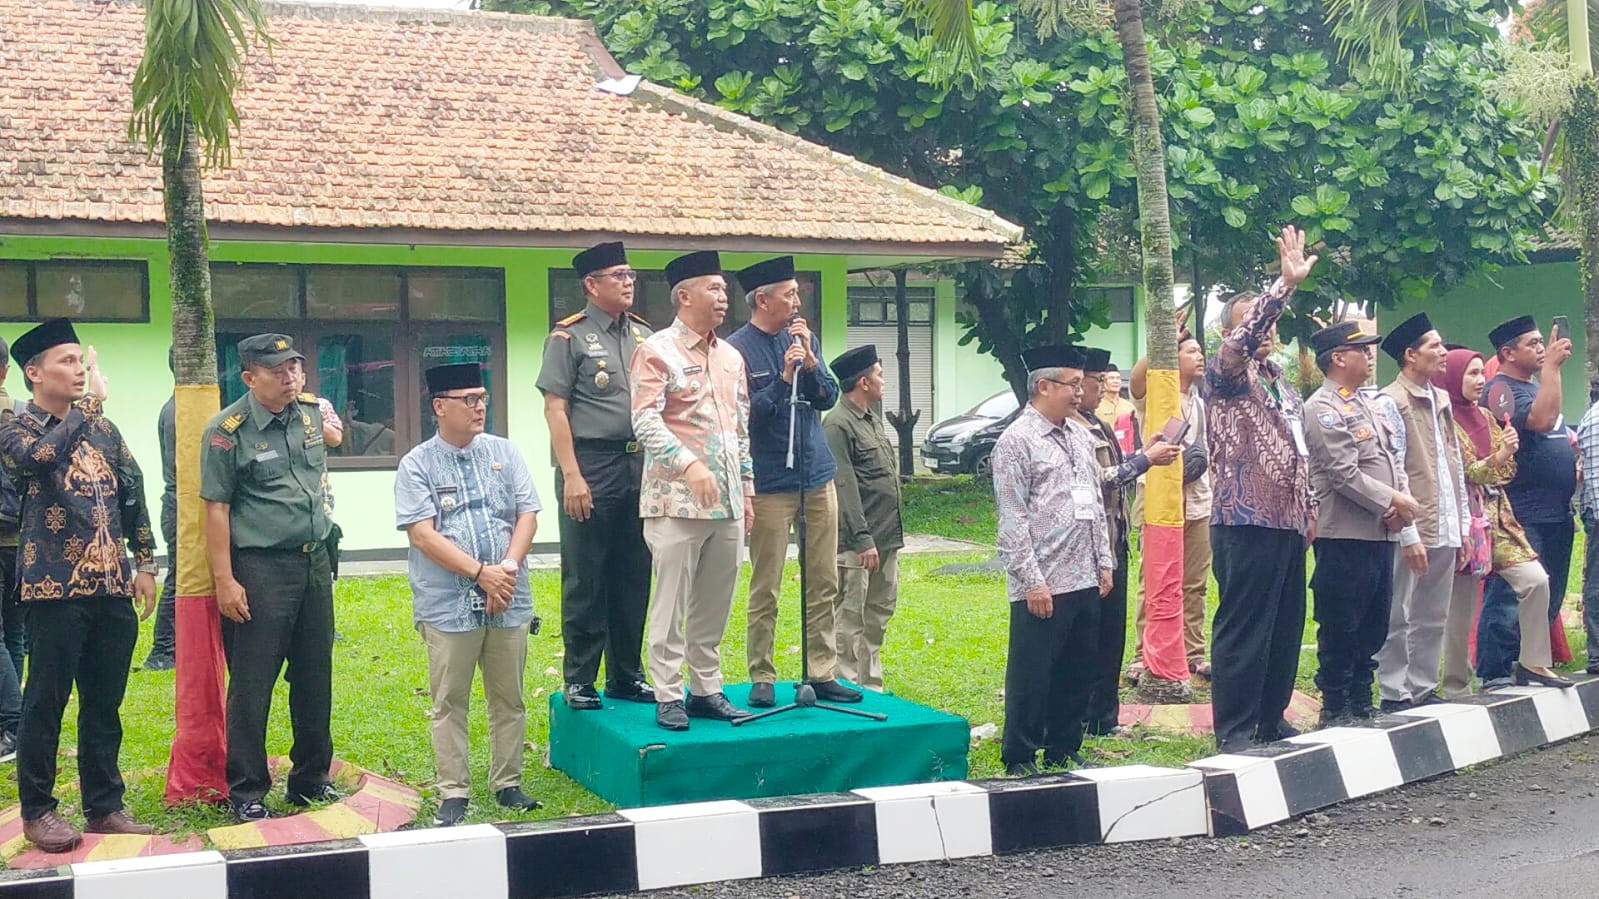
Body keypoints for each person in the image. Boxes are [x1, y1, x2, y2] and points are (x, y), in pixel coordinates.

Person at [0, 318, 158, 852]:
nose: (80, 371)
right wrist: (90, 405)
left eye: (82, 361)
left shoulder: (106, 431)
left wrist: (145, 563)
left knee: (104, 702)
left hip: (112, 589)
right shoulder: (14, 427)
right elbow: (40, 460)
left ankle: (104, 806)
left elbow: (131, 492)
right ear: (33, 372)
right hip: (54, 591)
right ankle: (39, 812)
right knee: (46, 702)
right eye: (68, 362)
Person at [396, 362, 543, 827]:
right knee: (450, 699)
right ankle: (453, 791)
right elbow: (422, 534)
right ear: (440, 406)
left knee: (509, 697)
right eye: (469, 399)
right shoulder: (417, 463)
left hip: (508, 593)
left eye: (483, 398)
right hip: (448, 603)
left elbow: (527, 514)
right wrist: (481, 573)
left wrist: (507, 569)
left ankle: (508, 782)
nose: (480, 407)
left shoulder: (505, 452)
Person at [200, 334, 338, 822]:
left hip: (313, 562)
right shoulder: (227, 430)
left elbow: (325, 458)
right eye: (277, 370)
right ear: (248, 376)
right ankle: (247, 791)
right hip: (259, 568)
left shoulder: (309, 414)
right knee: (253, 684)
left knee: (314, 674)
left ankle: (310, 779)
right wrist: (224, 579)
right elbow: (215, 508)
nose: (289, 377)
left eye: (294, 368)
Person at [1204, 225, 1318, 754]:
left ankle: (1271, 719)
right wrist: (1282, 289)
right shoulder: (1227, 376)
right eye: (1253, 323)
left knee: (1284, 624)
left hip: (1287, 521)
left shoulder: (1282, 382)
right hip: (1244, 518)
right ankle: (1235, 729)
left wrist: (1308, 508)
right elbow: (1242, 341)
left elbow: (1299, 450)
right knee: (1244, 627)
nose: (1264, 331)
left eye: (1269, 322)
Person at [727, 256, 860, 707]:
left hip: (816, 474)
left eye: (798, 293)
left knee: (823, 578)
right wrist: (784, 378)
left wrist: (812, 363)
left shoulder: (804, 338)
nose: (797, 301)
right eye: (789, 294)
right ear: (762, 300)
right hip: (768, 482)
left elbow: (827, 396)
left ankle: (821, 670)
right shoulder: (736, 350)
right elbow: (747, 417)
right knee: (767, 581)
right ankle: (762, 673)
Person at [631, 251, 755, 731]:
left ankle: (706, 688)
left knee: (715, 600)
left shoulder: (731, 357)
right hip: (675, 501)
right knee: (671, 601)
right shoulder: (657, 350)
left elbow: (741, 429)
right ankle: (667, 693)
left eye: (725, 289)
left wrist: (745, 490)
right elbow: (644, 419)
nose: (723, 297)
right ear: (684, 295)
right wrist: (688, 464)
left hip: (725, 502)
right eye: (713, 288)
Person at [538, 241, 655, 710]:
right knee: (587, 574)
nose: (628, 283)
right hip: (591, 462)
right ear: (591, 284)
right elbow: (555, 408)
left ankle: (626, 674)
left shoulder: (645, 335)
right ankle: (580, 678)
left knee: (634, 571)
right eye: (618, 276)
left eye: (631, 275)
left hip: (639, 462)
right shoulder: (568, 337)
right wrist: (572, 475)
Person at [993, 345, 1113, 776]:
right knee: (1032, 672)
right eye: (1073, 384)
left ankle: (1064, 745)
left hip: (1083, 572)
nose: (1081, 392)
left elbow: (1095, 502)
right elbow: (1012, 518)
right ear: (1043, 386)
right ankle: (1020, 753)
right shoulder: (1016, 442)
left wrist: (1104, 561)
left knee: (1077, 669)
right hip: (1043, 578)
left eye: (1082, 384)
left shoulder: (1080, 436)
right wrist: (1031, 581)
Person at [1302, 321, 1415, 727]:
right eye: (1363, 350)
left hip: (1380, 530)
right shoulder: (1323, 408)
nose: (1370, 356)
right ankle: (1335, 703)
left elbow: (1389, 458)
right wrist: (1393, 499)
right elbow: (1342, 473)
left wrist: (1398, 500)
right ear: (1338, 358)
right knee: (1342, 620)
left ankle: (1360, 697)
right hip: (1345, 533)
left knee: (1374, 621)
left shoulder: (1365, 402)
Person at [1439, 348, 1571, 690]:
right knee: (1463, 605)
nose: (1480, 380)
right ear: (1453, 377)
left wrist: (1506, 453)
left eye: (1482, 373)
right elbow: (1471, 472)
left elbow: (1506, 471)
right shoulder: (1444, 420)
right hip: (1466, 521)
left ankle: (1534, 662)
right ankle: (1457, 685)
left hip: (1498, 520)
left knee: (1536, 580)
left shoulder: (1485, 414)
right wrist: (1500, 456)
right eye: (1471, 374)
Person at [1371, 313, 1470, 712]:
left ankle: (1423, 686)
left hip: (1445, 521)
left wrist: (1461, 525)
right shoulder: (1390, 401)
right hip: (1413, 524)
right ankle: (1395, 691)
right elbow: (1395, 468)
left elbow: (1454, 465)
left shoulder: (1440, 399)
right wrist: (1409, 534)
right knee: (1401, 612)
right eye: (1435, 346)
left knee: (1433, 614)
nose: (1443, 352)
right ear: (1410, 355)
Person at [1077, 348, 1179, 727]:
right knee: (1089, 637)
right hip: (1089, 545)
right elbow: (1100, 480)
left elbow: (1115, 469)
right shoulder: (1074, 428)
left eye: (1102, 381)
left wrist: (1142, 451)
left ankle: (1104, 717)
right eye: (1093, 381)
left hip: (1113, 538)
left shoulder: (1097, 423)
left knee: (1110, 637)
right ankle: (1087, 716)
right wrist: (1146, 460)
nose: (1100, 388)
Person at [1477, 316, 1576, 686]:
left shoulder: (1537, 385)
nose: (1540, 348)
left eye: (1541, 343)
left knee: (1549, 592)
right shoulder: (1501, 389)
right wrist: (1551, 367)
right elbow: (1541, 421)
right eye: (1532, 343)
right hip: (1523, 510)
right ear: (1507, 353)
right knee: (1508, 597)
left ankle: (1530, 663)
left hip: (1555, 509)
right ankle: (1495, 671)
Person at [1127, 328, 1212, 684]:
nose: (1200, 356)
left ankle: (1194, 652)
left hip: (1199, 500)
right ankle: (1141, 654)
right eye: (1191, 351)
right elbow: (1135, 381)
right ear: (1173, 358)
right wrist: (1159, 341)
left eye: (1199, 351)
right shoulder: (1158, 396)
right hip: (1160, 497)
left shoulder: (1200, 402)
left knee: (1195, 582)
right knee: (1156, 578)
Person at [823, 345, 903, 692]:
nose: (883, 380)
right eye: (879, 374)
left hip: (886, 537)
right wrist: (862, 539)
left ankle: (871, 687)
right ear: (863, 381)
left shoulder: (871, 418)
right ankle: (847, 683)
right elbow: (844, 485)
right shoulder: (838, 424)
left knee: (878, 616)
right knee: (851, 617)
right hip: (859, 543)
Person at [0, 339, 27, 757]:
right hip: (25, 538)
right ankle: (13, 725)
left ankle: (12, 723)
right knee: (14, 632)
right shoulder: (25, 413)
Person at [1095, 364, 1137, 453]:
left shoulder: (1129, 406)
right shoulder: (1096, 406)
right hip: (1106, 450)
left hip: (1128, 450)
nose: (1115, 381)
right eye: (1111, 378)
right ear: (1103, 382)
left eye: (1118, 378)